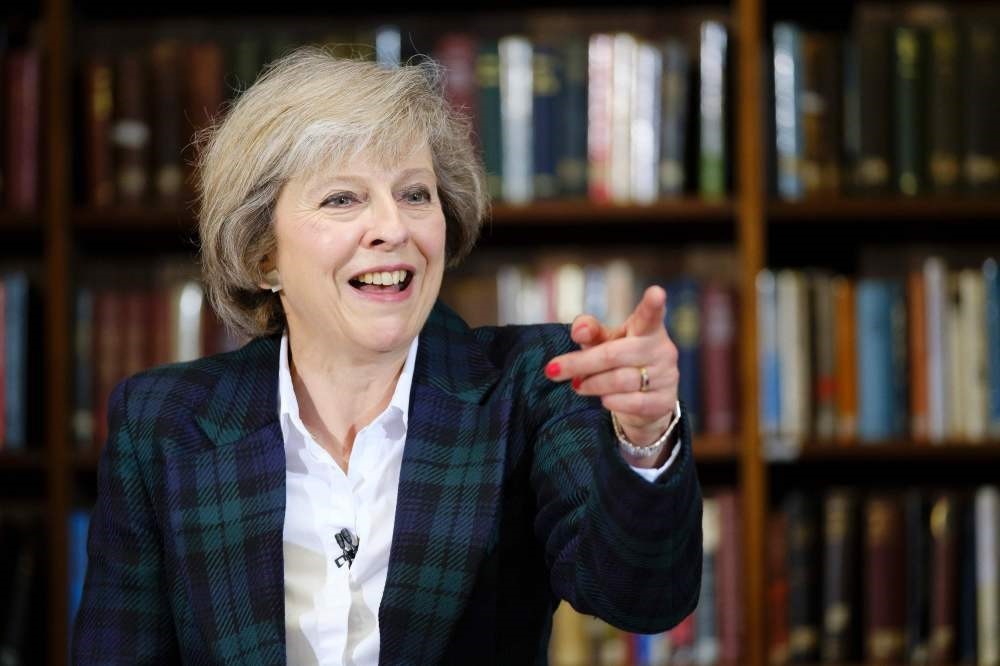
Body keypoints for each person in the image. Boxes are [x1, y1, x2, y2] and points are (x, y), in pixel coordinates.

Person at [73, 48, 702, 665]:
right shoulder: (163, 422)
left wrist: (644, 435)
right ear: (264, 254)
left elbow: (640, 597)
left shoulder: (535, 383)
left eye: (415, 195)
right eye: (342, 199)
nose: (393, 228)